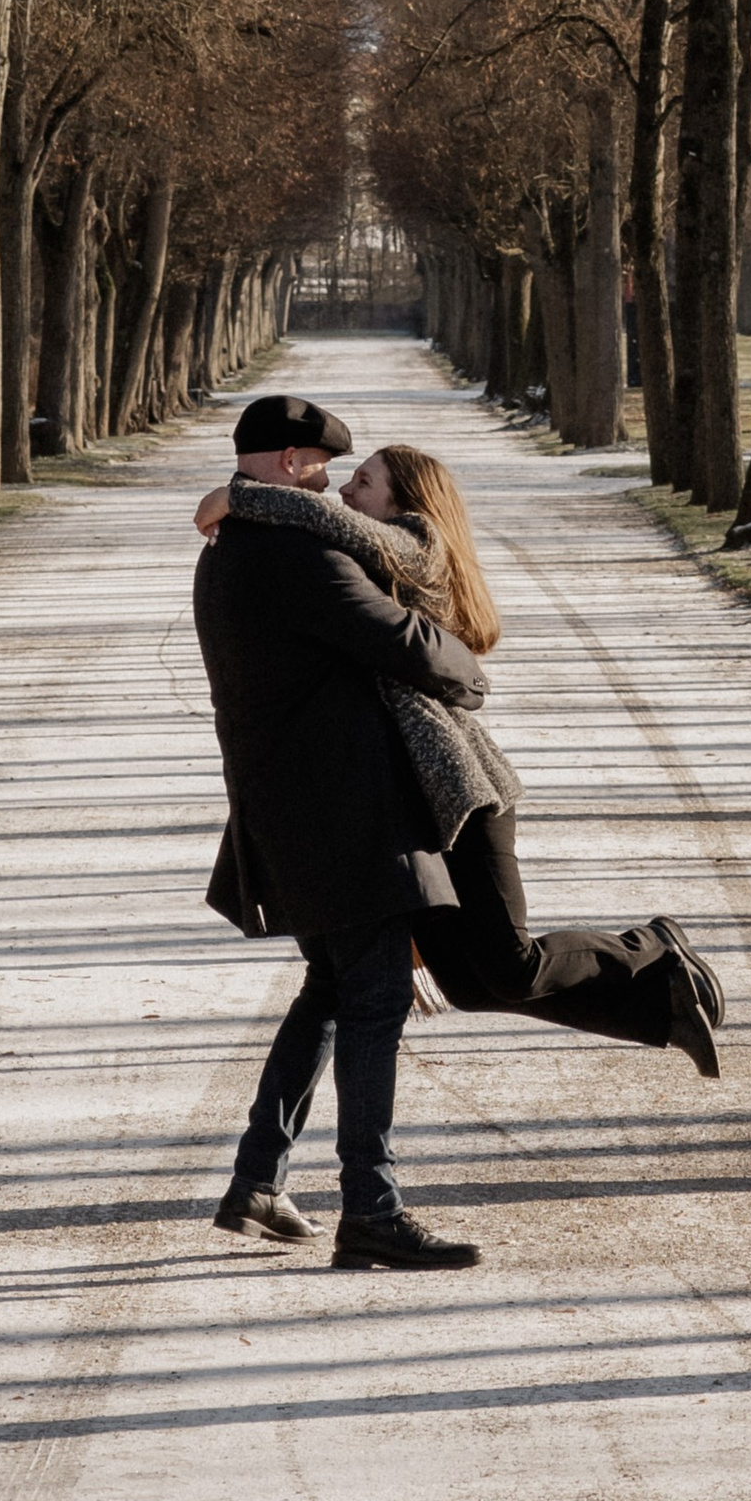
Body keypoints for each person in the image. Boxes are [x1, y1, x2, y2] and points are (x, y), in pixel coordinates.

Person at [197, 437, 726, 1078]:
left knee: (511, 965)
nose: (346, 492)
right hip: (418, 805)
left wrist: (243, 496)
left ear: (406, 501)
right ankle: (661, 1010)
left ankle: (654, 947)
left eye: (363, 481)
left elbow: (322, 520)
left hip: (466, 791)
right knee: (472, 985)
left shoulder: (414, 542)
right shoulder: (373, 551)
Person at [192, 393, 491, 1271]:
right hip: (342, 815)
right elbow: (401, 638)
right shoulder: (295, 551)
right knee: (372, 1001)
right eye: (324, 469)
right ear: (291, 462)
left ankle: (258, 1177)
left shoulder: (231, 551)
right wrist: (470, 673)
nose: (332, 488)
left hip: (292, 809)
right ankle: (373, 1206)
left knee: (330, 989)